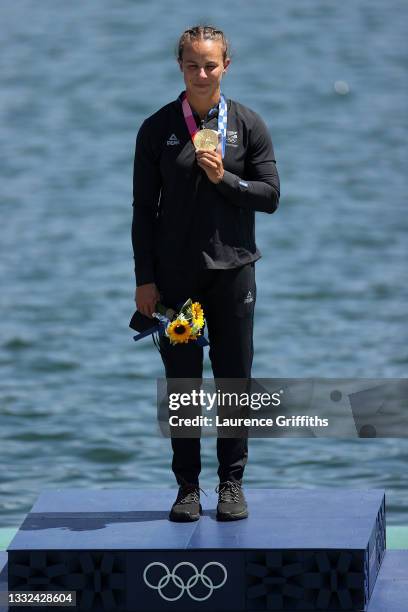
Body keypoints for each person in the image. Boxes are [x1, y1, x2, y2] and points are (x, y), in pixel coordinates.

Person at [131, 25, 280, 522]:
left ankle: (231, 484)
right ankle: (188, 488)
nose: (201, 73)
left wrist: (225, 178)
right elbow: (141, 211)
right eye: (192, 64)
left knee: (235, 380)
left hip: (234, 272)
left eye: (210, 65)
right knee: (183, 386)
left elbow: (270, 196)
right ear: (180, 66)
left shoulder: (248, 124)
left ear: (226, 66)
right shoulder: (157, 129)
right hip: (176, 281)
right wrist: (145, 279)